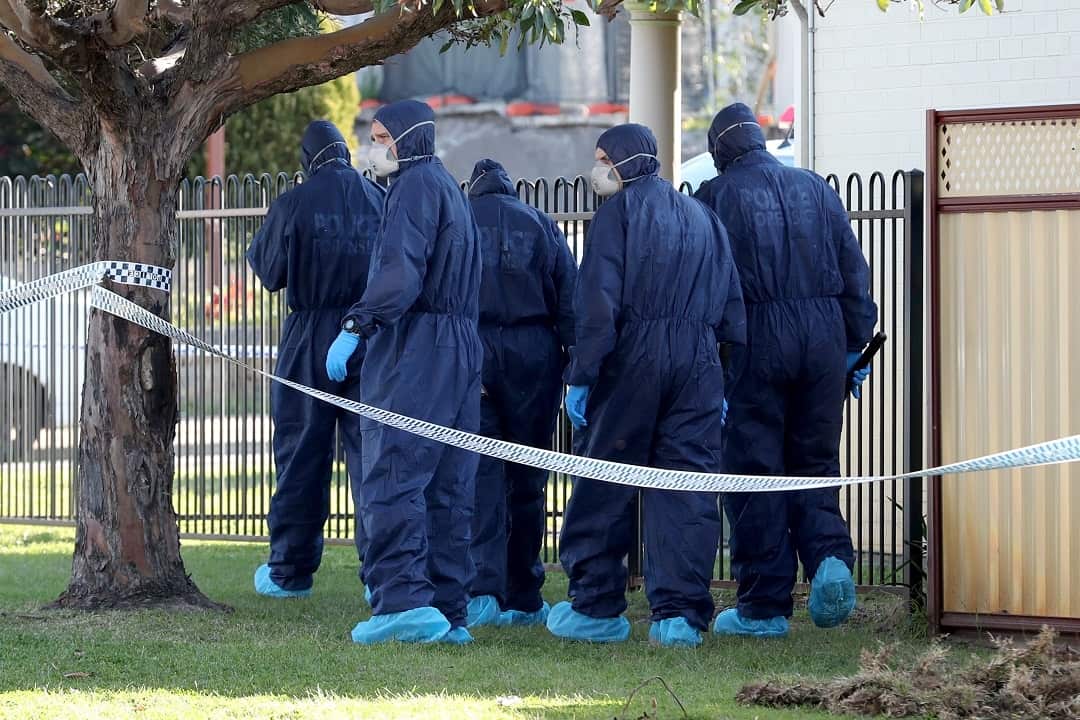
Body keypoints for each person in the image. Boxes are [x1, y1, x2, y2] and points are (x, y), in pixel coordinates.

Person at [548, 123, 746, 648]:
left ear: (624, 162)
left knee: (604, 478)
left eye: (601, 159)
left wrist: (582, 376)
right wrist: (721, 376)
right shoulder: (704, 217)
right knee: (687, 488)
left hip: (633, 358)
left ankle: (595, 607)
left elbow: (597, 304)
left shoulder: (620, 214)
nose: (596, 169)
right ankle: (679, 616)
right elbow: (733, 307)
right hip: (699, 364)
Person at [694, 102, 877, 638]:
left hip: (754, 341)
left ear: (720, 152)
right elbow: (853, 271)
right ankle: (830, 562)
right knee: (814, 462)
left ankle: (764, 605)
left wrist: (713, 355)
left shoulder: (716, 197)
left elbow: (711, 284)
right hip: (822, 340)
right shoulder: (816, 188)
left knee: (755, 471)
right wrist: (853, 344)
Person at [324, 100, 483, 645]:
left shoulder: (413, 188)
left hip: (416, 347)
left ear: (408, 139)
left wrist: (356, 323)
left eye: (381, 136)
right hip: (460, 348)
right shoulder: (452, 192)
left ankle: (402, 604)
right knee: (447, 485)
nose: (375, 147)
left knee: (393, 471)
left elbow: (400, 270)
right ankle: (447, 609)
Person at [247, 120, 384, 599]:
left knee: (300, 454)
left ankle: (289, 570)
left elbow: (268, 271)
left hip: (309, 336)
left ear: (307, 158)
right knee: (373, 458)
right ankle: (381, 575)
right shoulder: (379, 199)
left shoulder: (295, 202)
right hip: (369, 335)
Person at [464, 159, 577, 629]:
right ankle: (525, 592)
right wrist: (576, 363)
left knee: (483, 475)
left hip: (476, 345)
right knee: (529, 477)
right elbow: (570, 295)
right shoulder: (540, 224)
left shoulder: (460, 220)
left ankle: (483, 589)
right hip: (536, 354)